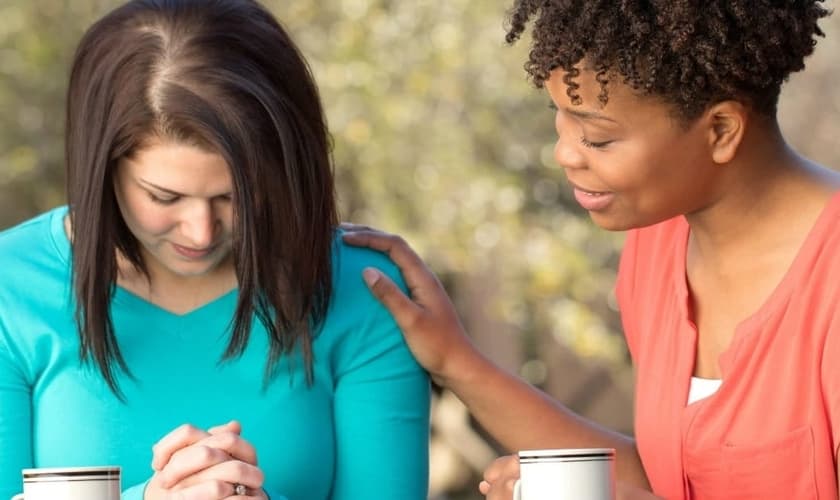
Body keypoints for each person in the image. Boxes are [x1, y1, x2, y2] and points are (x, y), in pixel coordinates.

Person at [342, 0, 840, 499]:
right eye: (558, 117)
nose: (563, 153)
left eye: (597, 138)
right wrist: (453, 359)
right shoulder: (658, 244)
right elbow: (674, 476)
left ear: (721, 130)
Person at [0, 1, 430, 499]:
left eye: (234, 196)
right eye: (165, 197)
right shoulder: (13, 285)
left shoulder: (364, 291)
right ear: (104, 167)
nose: (201, 233)